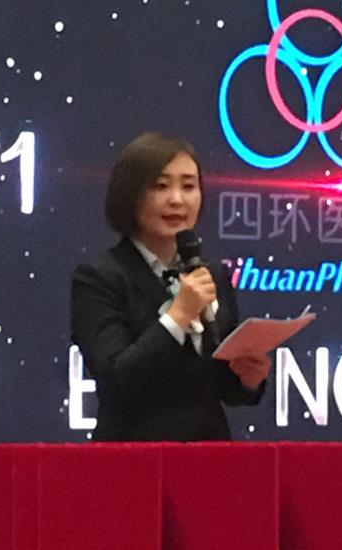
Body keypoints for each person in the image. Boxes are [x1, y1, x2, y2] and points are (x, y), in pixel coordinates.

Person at [70, 132, 270, 441]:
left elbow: (221, 388)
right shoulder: (99, 277)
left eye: (188, 186)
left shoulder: (211, 273)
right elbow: (116, 380)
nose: (177, 199)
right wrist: (178, 316)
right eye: (160, 186)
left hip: (209, 454)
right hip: (132, 455)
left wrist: (248, 379)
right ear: (130, 195)